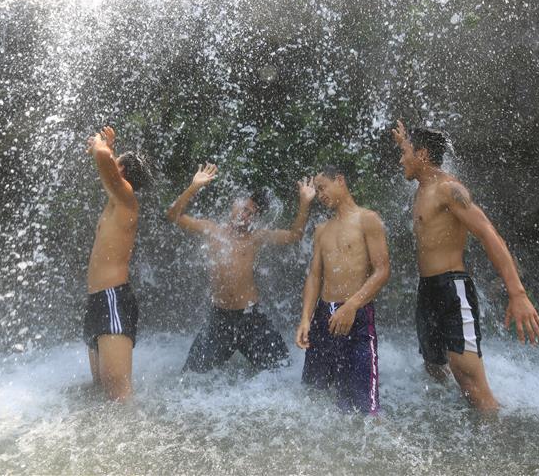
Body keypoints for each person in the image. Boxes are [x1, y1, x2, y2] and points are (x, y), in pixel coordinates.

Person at [391, 120, 539, 411]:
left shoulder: (448, 189)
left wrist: (517, 294)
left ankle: (496, 440)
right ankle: (460, 421)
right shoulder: (423, 185)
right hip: (428, 290)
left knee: (471, 384)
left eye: (405, 152)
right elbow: (412, 154)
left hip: (452, 289)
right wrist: (404, 140)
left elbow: (489, 233)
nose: (401, 159)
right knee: (435, 365)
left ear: (422, 155)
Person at [167, 163, 316, 373]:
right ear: (233, 205)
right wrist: (194, 187)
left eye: (252, 214)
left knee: (283, 373)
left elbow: (294, 236)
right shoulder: (212, 230)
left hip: (251, 318)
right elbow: (173, 216)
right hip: (219, 318)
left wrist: (304, 202)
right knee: (191, 376)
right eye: (245, 209)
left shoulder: (256, 238)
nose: (247, 216)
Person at [295, 165, 390, 415]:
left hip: (355, 316)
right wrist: (305, 318)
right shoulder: (321, 230)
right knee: (316, 396)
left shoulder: (367, 219)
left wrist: (352, 305)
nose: (320, 194)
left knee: (365, 408)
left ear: (340, 180)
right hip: (323, 317)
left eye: (323, 187)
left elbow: (382, 270)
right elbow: (314, 276)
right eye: (317, 190)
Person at [83, 125, 153, 401]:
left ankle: (136, 442)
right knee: (101, 390)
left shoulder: (126, 198)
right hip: (97, 300)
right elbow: (103, 160)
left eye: (116, 163)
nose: (111, 165)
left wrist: (104, 146)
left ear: (121, 173)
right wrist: (108, 152)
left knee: (118, 395)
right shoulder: (115, 202)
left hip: (113, 298)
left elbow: (101, 155)